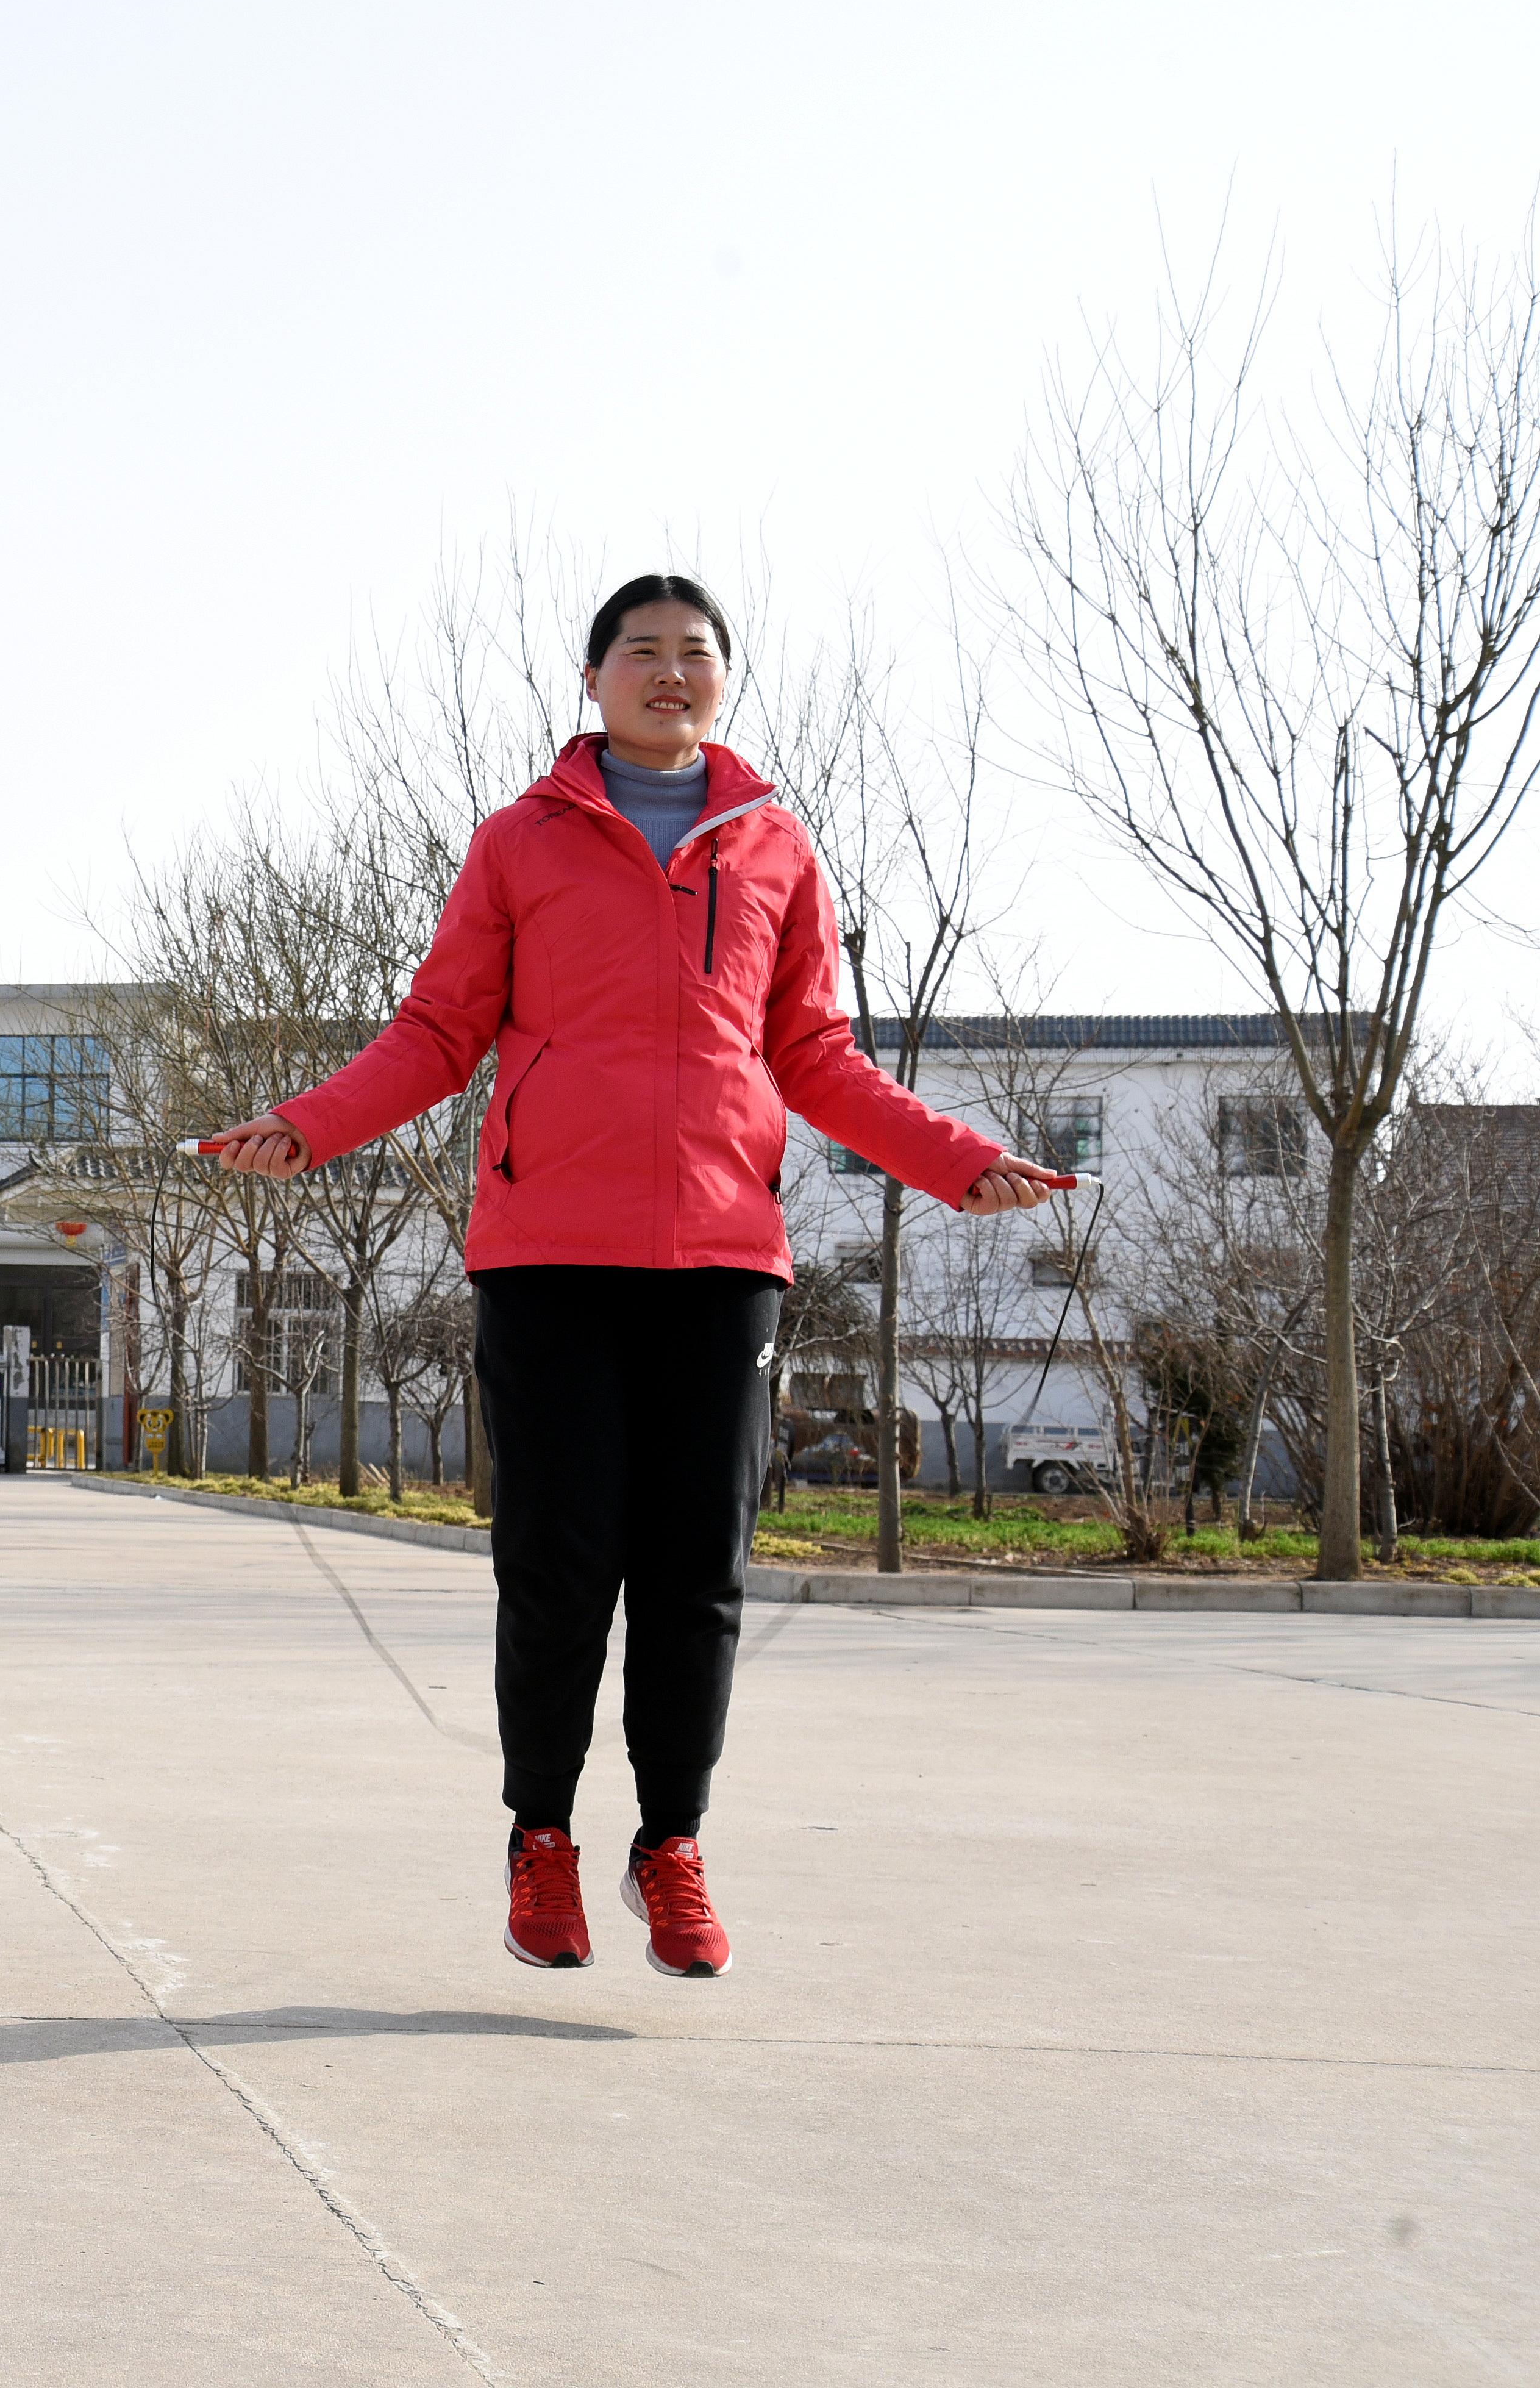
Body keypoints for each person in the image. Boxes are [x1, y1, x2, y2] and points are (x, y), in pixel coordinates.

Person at [202, 576, 1060, 1979]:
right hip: (546, 1253)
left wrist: (956, 1161)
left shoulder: (774, 847)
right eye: (641, 652)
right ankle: (538, 1838)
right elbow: (436, 1029)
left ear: (722, 680)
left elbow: (816, 1056)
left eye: (694, 655)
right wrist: (310, 1124)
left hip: (721, 1259)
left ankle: (671, 1845)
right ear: (592, 679)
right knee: (556, 1561)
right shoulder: (519, 842)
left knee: (694, 1572)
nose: (669, 672)